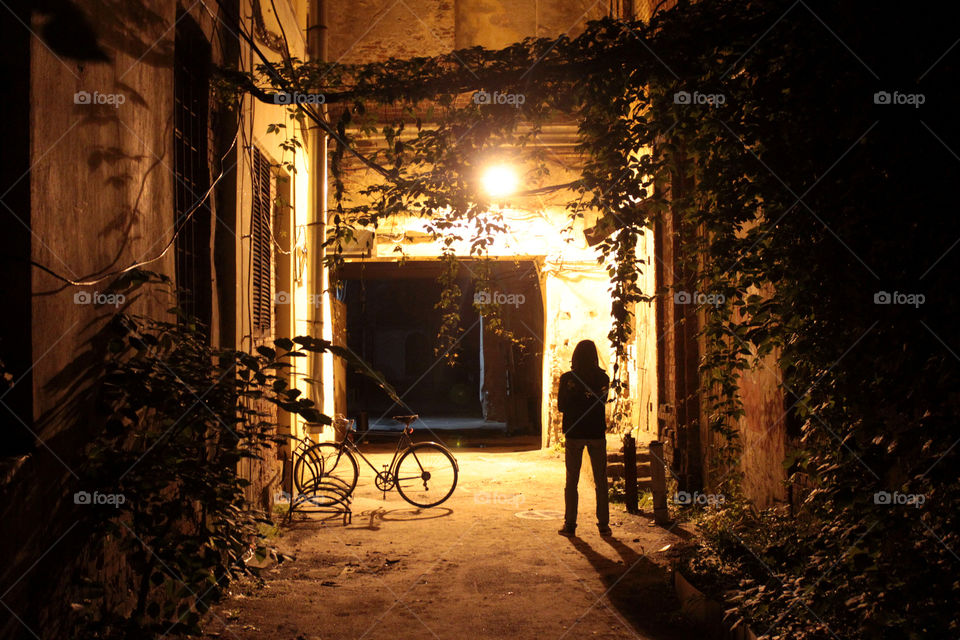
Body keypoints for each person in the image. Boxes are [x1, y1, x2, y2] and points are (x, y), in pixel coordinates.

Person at [557, 339, 611, 537]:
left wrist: (576, 397)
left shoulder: (567, 378)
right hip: (596, 432)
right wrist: (589, 397)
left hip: (574, 433)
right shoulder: (603, 378)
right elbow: (600, 402)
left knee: (572, 480)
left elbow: (561, 406)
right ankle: (603, 525)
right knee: (601, 480)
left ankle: (570, 524)